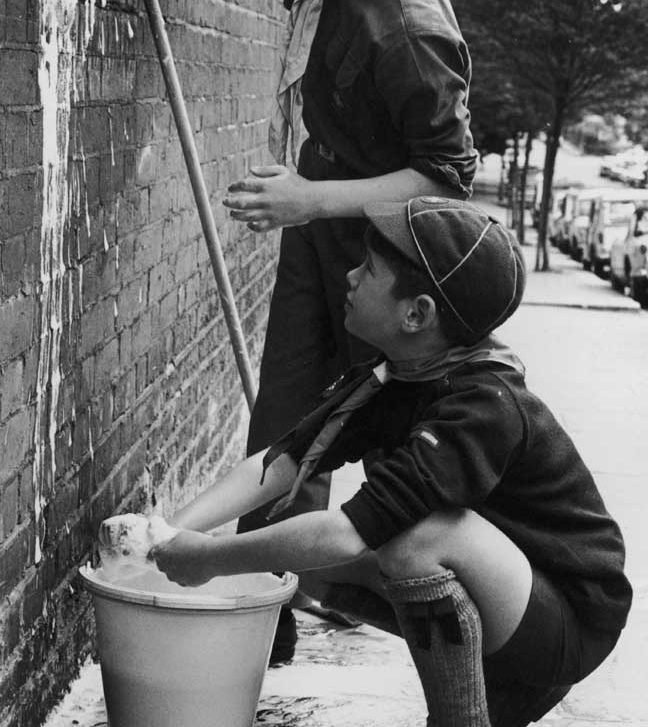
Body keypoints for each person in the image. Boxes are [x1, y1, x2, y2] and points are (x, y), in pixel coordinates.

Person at [114, 0, 477, 658]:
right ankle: (257, 633)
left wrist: (307, 200)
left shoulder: (410, 27)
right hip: (322, 245)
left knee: (408, 463)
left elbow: (445, 183)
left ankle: (475, 628)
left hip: (391, 275)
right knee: (286, 435)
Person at [148, 197, 632, 727]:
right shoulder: (396, 376)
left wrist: (211, 558)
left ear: (416, 313)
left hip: (566, 622)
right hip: (509, 597)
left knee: (417, 539)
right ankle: (498, 694)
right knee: (292, 566)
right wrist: (167, 536)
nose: (351, 276)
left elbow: (348, 534)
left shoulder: (484, 406)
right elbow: (280, 462)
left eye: (369, 269)